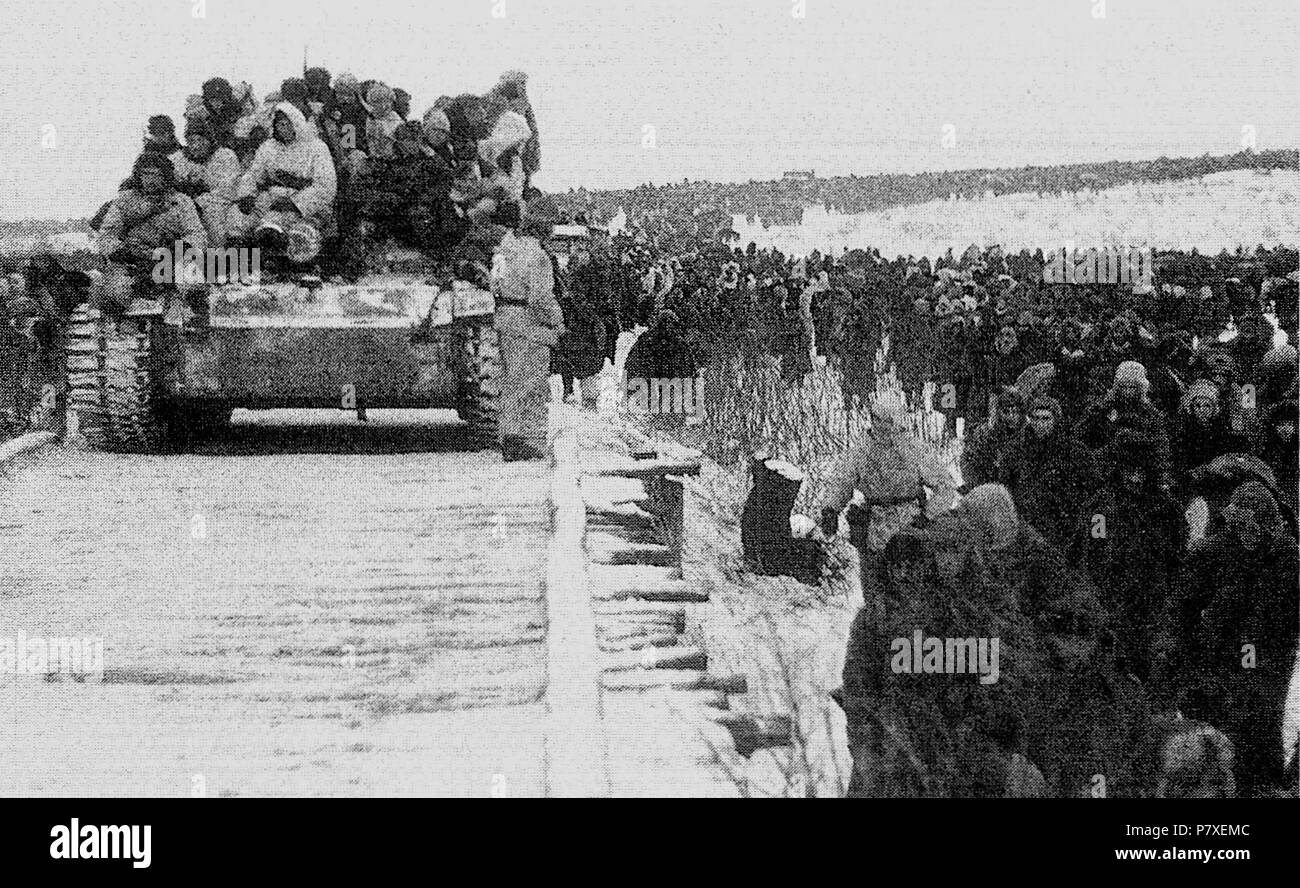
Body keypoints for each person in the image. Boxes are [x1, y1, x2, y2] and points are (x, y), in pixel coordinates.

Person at [1163, 481, 1299, 796]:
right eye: (1241, 527)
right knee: (1215, 750)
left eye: (1255, 528)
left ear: (1269, 525)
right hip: (1215, 670)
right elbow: (1180, 609)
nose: (1248, 534)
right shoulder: (1212, 553)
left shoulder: (1288, 558)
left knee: (1258, 747)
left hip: (1266, 670)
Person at [1070, 429, 1187, 684]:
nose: (1134, 478)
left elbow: (1177, 558)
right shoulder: (1102, 507)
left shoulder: (1167, 510)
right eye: (1128, 471)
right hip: (1110, 596)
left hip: (1150, 599)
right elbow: (1090, 549)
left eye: (1140, 471)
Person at [492, 197, 565, 461]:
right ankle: (524, 439)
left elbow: (494, 283)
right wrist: (558, 321)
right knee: (531, 383)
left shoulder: (504, 250)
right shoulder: (538, 256)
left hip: (504, 317)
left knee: (511, 381)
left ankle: (509, 434)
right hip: (529, 324)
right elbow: (540, 299)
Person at [94, 152, 207, 321]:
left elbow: (197, 233)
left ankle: (197, 324)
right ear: (138, 175)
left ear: (166, 177)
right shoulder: (124, 201)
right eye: (146, 174)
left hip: (171, 260)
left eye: (157, 175)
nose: (151, 180)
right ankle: (117, 332)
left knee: (193, 284)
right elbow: (107, 234)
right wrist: (120, 251)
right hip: (135, 261)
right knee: (114, 292)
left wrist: (184, 246)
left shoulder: (181, 202)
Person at [227, 102, 337, 266]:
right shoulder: (268, 147)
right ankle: (239, 262)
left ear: (297, 124)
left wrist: (294, 203)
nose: (283, 129)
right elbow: (252, 174)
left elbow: (326, 186)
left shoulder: (317, 147)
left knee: (299, 235)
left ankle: (293, 261)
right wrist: (246, 195)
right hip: (271, 200)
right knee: (237, 217)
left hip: (304, 205)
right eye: (279, 125)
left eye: (287, 124)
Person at [996, 395, 1099, 553]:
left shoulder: (1074, 451)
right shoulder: (1015, 450)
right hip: (1027, 525)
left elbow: (1093, 490)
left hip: (1064, 527)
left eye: (1046, 419)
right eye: (1036, 418)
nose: (1040, 424)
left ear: (1055, 420)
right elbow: (1004, 487)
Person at [1076, 360, 1173, 490]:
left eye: (1132, 387)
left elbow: (1160, 444)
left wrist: (1163, 477)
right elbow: (1082, 433)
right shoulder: (1103, 408)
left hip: (1141, 469)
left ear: (1140, 388)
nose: (1128, 391)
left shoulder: (1150, 413)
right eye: (1124, 386)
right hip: (1108, 469)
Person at [169, 118, 241, 248]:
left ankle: (220, 253)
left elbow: (228, 190)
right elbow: (165, 178)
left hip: (220, 206)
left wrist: (200, 201)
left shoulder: (225, 156)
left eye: (200, 140)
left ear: (209, 140)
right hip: (186, 206)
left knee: (215, 216)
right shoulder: (177, 159)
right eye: (191, 141)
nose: (196, 146)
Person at [960, 385, 1024, 489]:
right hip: (987, 488)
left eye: (1015, 412)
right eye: (1006, 412)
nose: (1012, 417)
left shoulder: (1025, 433)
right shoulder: (983, 433)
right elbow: (969, 460)